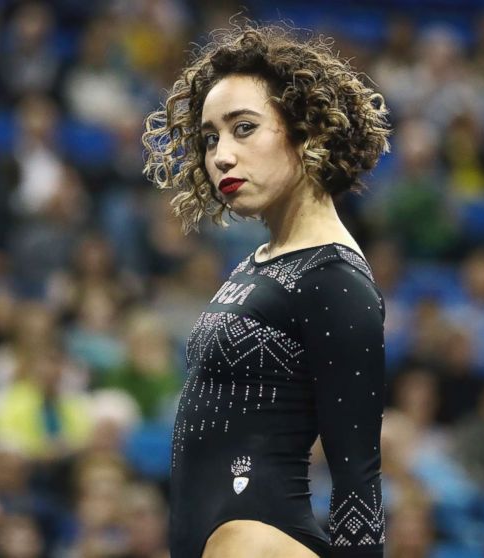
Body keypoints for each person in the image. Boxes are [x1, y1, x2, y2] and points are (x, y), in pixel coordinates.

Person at [142, 23, 391, 558]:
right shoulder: (261, 261)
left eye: (244, 128)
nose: (221, 157)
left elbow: (358, 479)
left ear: (307, 131)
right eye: (210, 137)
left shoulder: (335, 280)